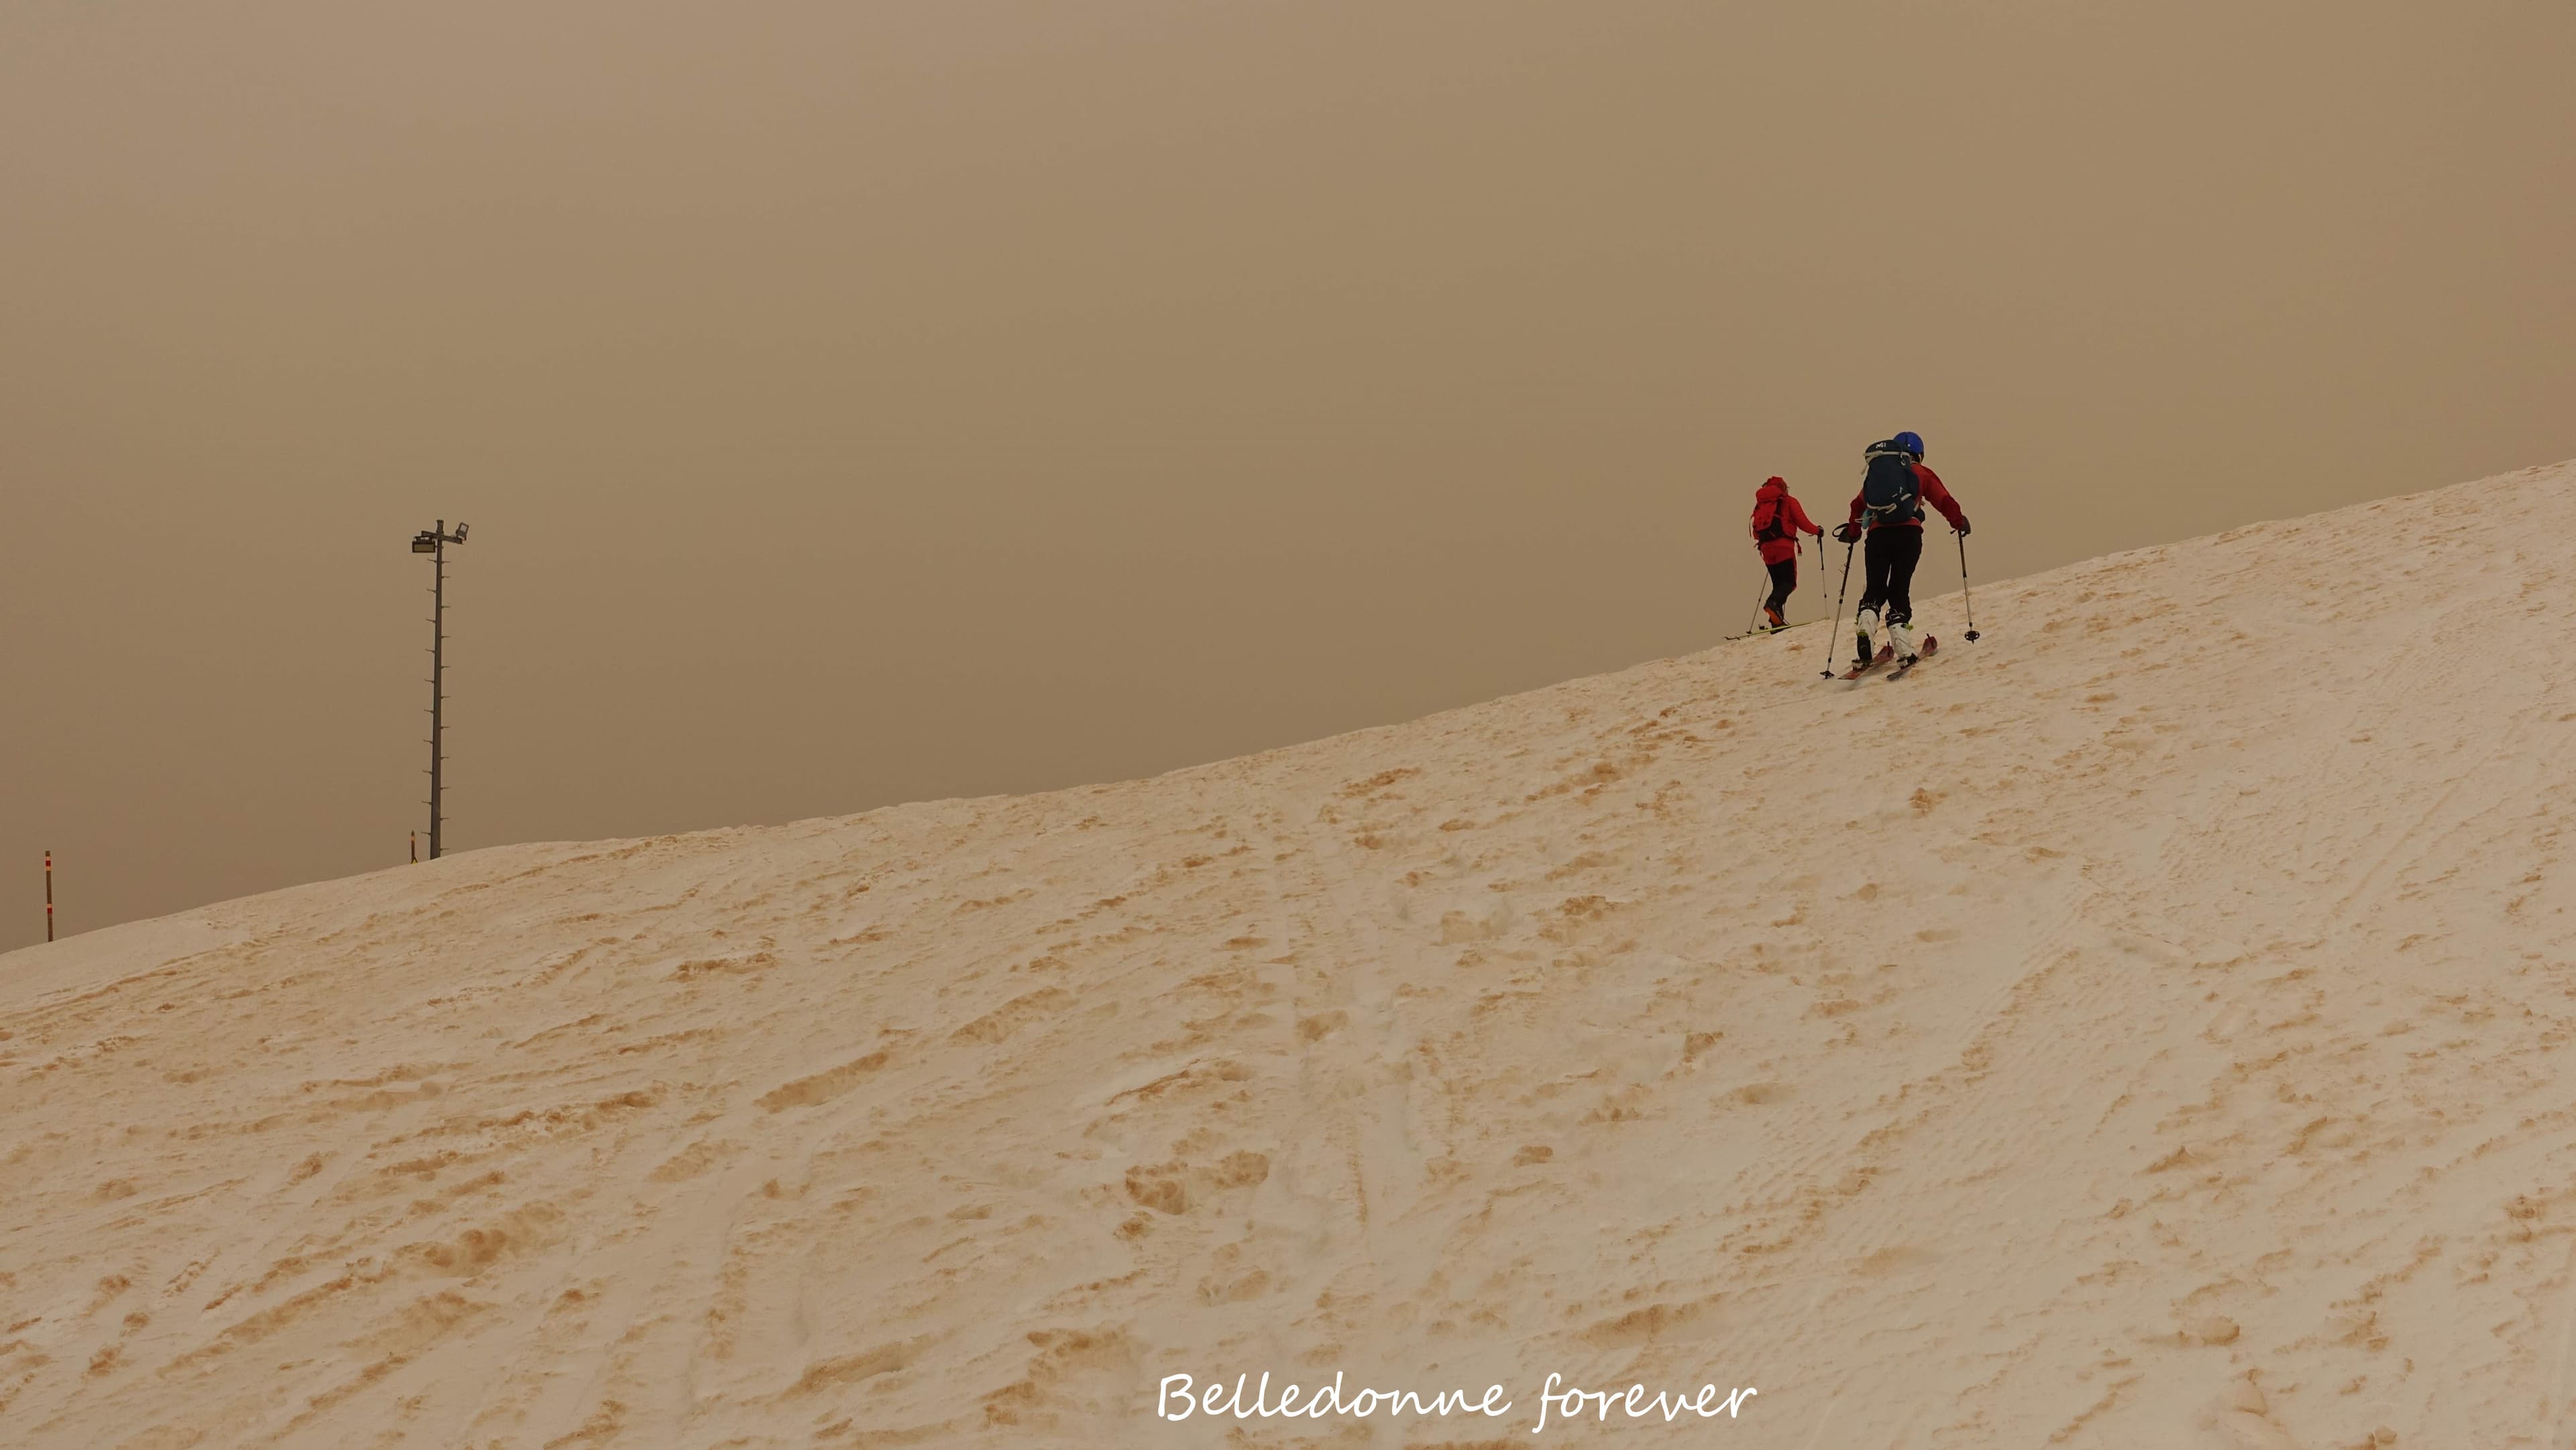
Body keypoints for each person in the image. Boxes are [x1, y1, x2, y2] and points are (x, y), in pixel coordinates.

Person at [1833, 430, 1968, 669]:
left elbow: (1857, 505)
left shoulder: (1878, 475)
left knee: (1875, 587)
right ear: (1920, 454)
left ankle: (1866, 625)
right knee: (1899, 588)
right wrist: (1958, 521)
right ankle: (1903, 647)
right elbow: (1944, 501)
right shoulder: (1922, 473)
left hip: (1877, 536)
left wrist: (1853, 533)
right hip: (1909, 536)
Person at [1748, 475, 1825, 629]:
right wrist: (1817, 531)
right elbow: (1802, 522)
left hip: (1766, 549)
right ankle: (1772, 604)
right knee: (1789, 583)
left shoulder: (1761, 505)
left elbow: (1756, 533)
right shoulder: (1788, 501)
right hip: (1784, 546)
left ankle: (1776, 622)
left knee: (1778, 585)